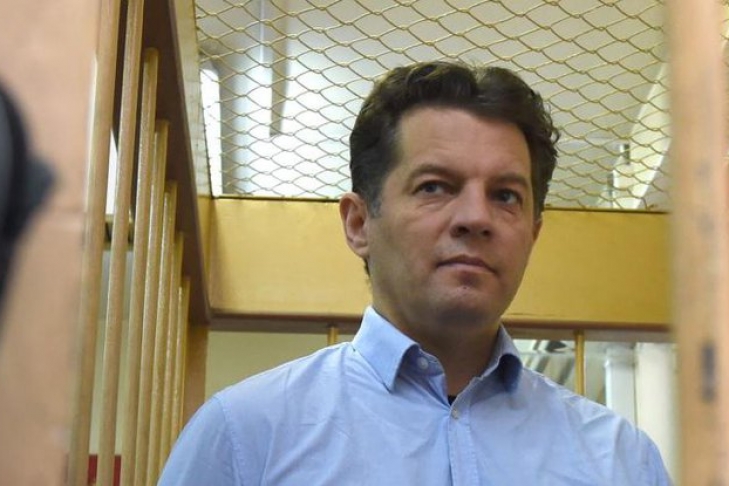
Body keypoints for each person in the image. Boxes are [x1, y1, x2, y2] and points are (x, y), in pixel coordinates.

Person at [158, 61, 671, 485]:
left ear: (533, 235)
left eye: (505, 196)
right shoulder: (246, 437)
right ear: (359, 223)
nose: (476, 217)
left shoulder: (621, 461)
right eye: (434, 187)